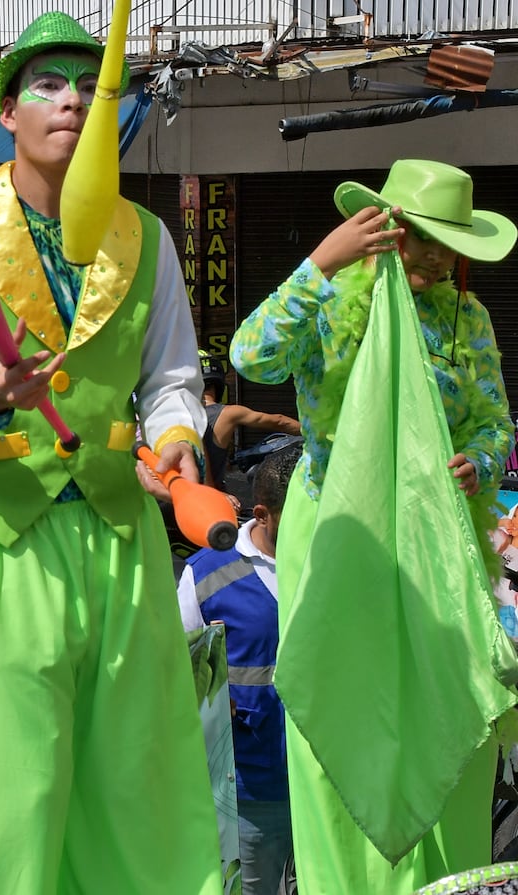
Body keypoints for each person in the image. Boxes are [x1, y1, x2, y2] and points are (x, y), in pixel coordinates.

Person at [0, 13, 222, 893]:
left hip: (122, 533)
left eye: (88, 86)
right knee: (19, 782)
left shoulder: (148, 240)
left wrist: (177, 442)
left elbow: (171, 378)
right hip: (4, 538)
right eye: (47, 84)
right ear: (6, 110)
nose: (71, 101)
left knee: (138, 777)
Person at [230, 159, 516, 891]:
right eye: (422, 237)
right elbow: (249, 352)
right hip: (339, 534)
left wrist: (477, 466)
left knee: (445, 709)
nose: (434, 256)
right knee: (337, 715)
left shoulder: (468, 318)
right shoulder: (327, 303)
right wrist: (322, 262)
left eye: (448, 245)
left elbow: (492, 425)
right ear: (384, 229)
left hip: (436, 542)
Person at [177, 444, 299, 895]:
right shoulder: (205, 574)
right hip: (251, 791)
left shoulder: (336, 562)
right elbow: (178, 676)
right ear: (263, 514)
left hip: (330, 778)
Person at [198, 350, 300, 492]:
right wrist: (315, 434)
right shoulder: (230, 413)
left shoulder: (178, 413)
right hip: (213, 499)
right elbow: (279, 421)